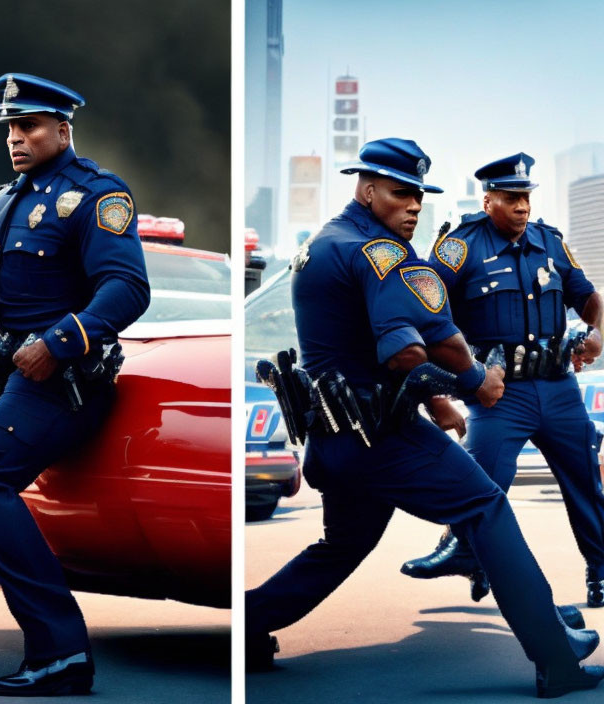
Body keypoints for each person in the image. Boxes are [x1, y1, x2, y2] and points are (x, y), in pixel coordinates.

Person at [245, 138, 604, 697]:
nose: (413, 205)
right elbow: (405, 350)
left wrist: (433, 400)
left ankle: (247, 628)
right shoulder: (379, 254)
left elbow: (359, 344)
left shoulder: (322, 245)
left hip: (335, 442)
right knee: (485, 505)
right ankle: (556, 658)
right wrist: (470, 382)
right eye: (400, 192)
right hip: (382, 437)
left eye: (418, 194)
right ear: (366, 190)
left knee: (341, 546)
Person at [0, 73, 149, 697]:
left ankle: (60, 651)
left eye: (30, 127)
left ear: (63, 130)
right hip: (24, 378)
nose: (17, 139)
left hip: (66, 380)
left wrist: (60, 342)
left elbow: (128, 290)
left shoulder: (98, 195)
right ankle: (59, 648)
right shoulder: (3, 203)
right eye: (11, 129)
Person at [401, 153, 604, 607]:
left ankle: (601, 569)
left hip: (558, 388)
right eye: (511, 198)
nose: (521, 207)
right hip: (499, 394)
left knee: (586, 481)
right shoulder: (460, 246)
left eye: (526, 198)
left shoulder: (550, 242)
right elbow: (427, 313)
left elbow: (588, 296)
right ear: (487, 198)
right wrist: (442, 390)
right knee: (478, 478)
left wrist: (597, 334)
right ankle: (469, 553)